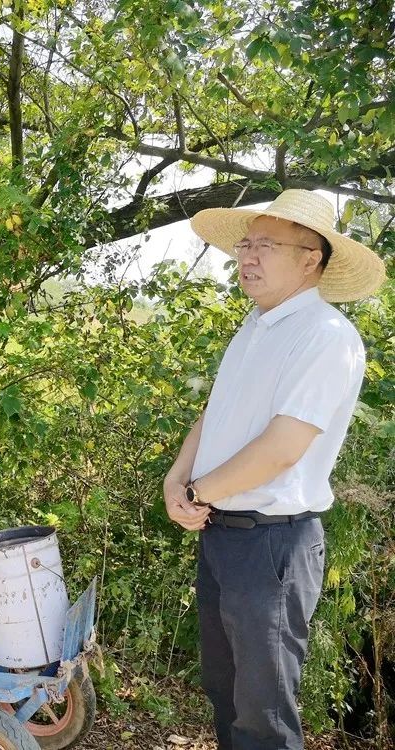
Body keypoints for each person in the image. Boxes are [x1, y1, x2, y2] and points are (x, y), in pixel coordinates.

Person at [163, 190, 387, 749]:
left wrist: (197, 492)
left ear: (311, 259)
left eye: (265, 245)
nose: (248, 256)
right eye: (245, 244)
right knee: (225, 692)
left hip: (273, 546)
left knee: (263, 714)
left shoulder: (325, 335)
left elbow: (283, 448)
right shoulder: (257, 327)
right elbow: (214, 415)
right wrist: (176, 480)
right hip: (222, 534)